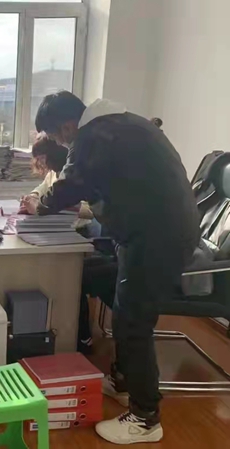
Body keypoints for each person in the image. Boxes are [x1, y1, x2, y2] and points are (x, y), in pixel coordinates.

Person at [34, 91, 199, 444]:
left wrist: (38, 204)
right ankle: (125, 382)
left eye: (56, 136)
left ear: (67, 126)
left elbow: (70, 186)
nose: (59, 143)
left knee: (131, 321)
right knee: (104, 283)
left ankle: (145, 418)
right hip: (155, 230)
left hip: (156, 236)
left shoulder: (92, 135)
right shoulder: (122, 123)